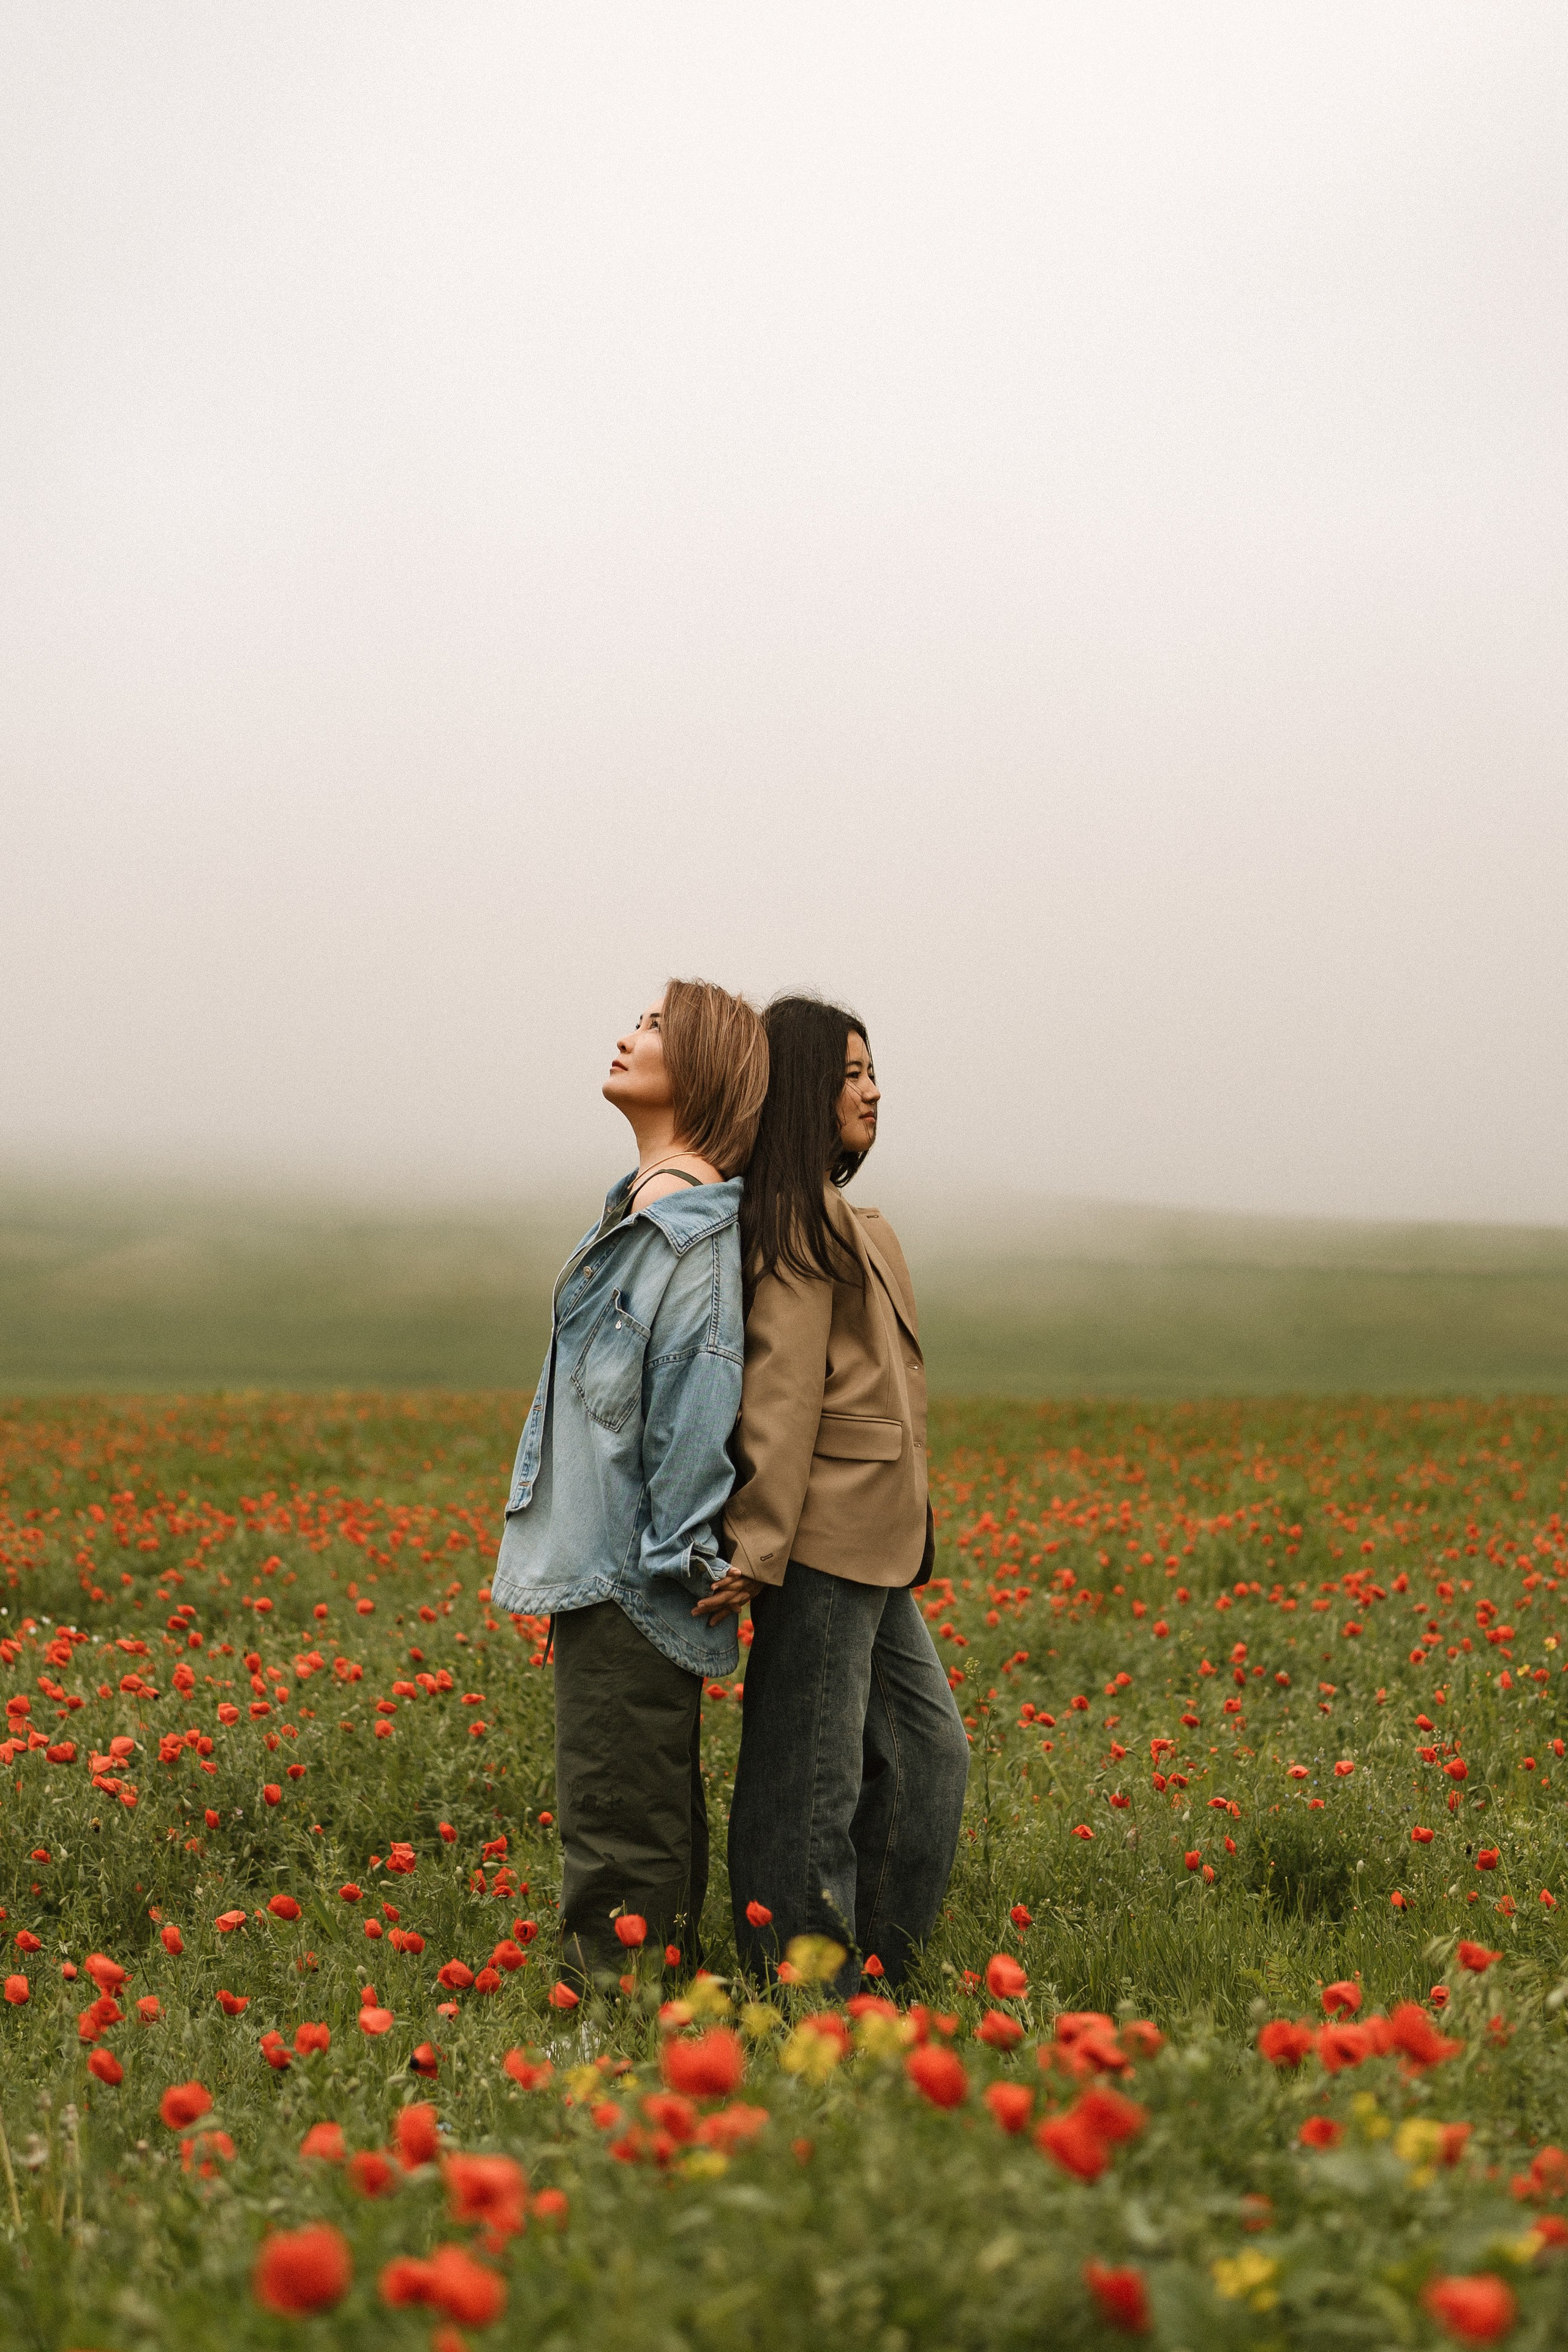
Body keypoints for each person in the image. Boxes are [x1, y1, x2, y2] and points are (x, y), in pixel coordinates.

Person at [491, 979, 767, 1986]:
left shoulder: (688, 1239)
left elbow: (697, 1409)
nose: (625, 1035)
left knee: (620, 1827)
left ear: (700, 1067)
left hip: (633, 1575)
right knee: (629, 1807)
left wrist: (679, 1559)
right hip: (606, 1563)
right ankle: (654, 2022)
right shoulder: (644, 1214)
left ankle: (620, 2037)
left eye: (651, 1027)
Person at [696, 996, 969, 1994]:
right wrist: (758, 1545)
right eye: (851, 1074)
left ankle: (878, 1976)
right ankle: (803, 1992)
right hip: (818, 1536)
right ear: (805, 1088)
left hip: (878, 1537)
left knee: (930, 1757)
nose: (873, 1090)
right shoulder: (795, 1220)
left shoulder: (851, 1220)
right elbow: (780, 1393)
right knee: (808, 1778)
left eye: (873, 1071)